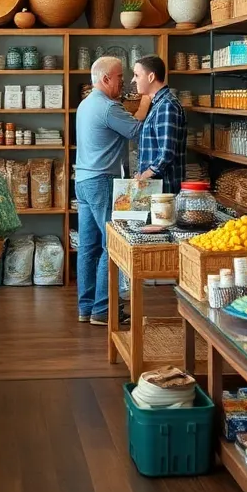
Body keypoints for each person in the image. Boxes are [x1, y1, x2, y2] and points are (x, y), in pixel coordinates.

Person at [74, 56, 150, 325]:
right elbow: (137, 130)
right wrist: (146, 100)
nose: (124, 81)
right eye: (120, 76)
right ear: (105, 79)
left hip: (82, 181)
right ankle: (104, 310)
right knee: (112, 245)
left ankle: (86, 307)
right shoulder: (108, 107)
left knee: (88, 247)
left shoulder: (85, 104)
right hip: (102, 182)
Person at [133, 55, 187, 194]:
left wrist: (144, 175)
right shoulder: (158, 104)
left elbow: (166, 153)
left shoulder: (167, 105)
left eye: (137, 75)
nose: (133, 80)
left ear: (151, 77)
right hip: (156, 189)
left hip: (164, 191)